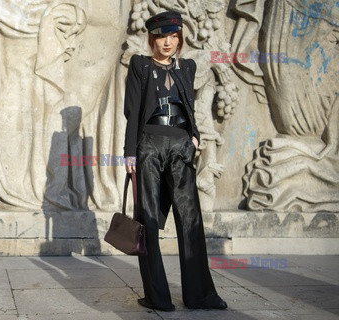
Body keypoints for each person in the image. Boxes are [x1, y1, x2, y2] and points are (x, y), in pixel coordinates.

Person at [123, 11, 227, 311]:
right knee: (149, 220)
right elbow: (132, 112)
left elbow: (190, 105)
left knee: (190, 217)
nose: (167, 42)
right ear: (151, 38)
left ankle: (201, 295)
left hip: (181, 145)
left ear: (179, 37)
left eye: (173, 36)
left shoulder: (187, 67)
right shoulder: (140, 65)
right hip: (149, 145)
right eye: (160, 36)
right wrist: (130, 152)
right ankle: (158, 297)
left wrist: (193, 136)